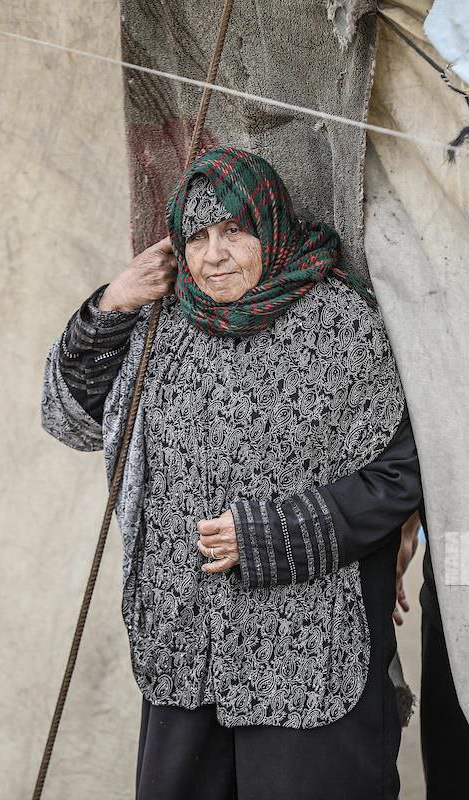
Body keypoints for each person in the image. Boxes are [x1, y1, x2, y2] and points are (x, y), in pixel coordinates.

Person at [40, 147, 423, 800]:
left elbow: (403, 475)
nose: (214, 254)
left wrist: (274, 535)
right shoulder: (162, 321)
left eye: (234, 232)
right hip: (184, 640)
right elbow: (72, 418)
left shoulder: (343, 326)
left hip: (307, 647)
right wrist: (114, 303)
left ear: (271, 229)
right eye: (198, 237)